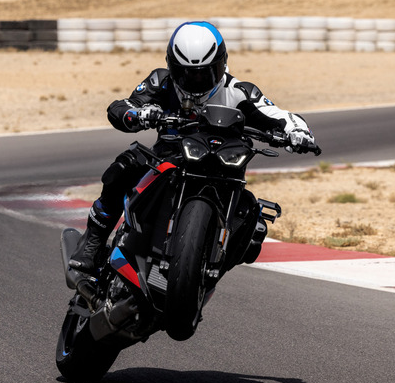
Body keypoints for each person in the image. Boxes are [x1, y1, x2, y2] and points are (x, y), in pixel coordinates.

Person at [69, 20, 316, 274]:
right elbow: (123, 106)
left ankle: (208, 269)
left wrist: (296, 132)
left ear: (222, 64)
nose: (196, 80)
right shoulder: (161, 81)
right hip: (167, 161)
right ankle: (93, 241)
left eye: (205, 73)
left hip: (223, 171)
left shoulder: (239, 91)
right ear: (172, 67)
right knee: (126, 165)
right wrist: (139, 114)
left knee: (251, 215)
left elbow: (278, 114)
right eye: (188, 73)